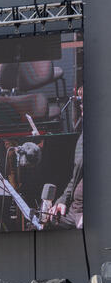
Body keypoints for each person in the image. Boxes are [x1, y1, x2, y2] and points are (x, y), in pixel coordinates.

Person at [46, 85, 83, 229]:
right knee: (45, 222)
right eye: (81, 101)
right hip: (74, 209)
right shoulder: (84, 137)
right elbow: (75, 177)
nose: (81, 105)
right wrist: (62, 200)